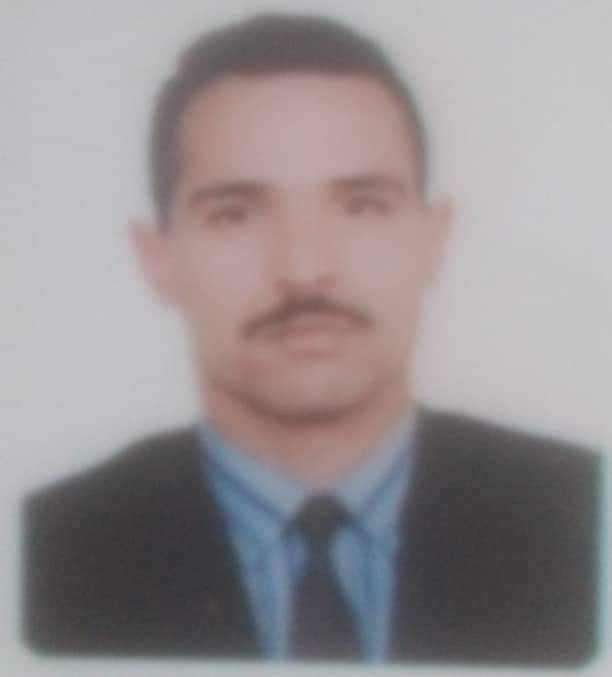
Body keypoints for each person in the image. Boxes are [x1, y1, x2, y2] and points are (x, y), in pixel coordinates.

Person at [22, 12, 600, 667]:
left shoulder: (583, 517)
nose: (304, 268)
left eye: (362, 205)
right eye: (235, 214)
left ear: (433, 241)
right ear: (157, 259)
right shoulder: (46, 552)